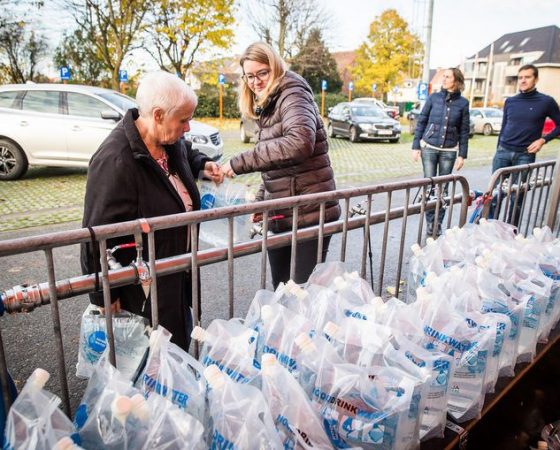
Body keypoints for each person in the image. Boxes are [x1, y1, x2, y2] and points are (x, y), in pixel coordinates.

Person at [81, 71, 223, 351]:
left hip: (174, 275)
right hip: (143, 293)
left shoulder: (166, 140)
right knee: (153, 367)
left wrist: (201, 164)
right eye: (183, 119)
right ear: (158, 115)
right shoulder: (116, 160)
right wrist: (102, 295)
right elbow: (95, 232)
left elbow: (185, 150)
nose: (187, 127)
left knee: (176, 356)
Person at [221, 42, 340, 288]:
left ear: (275, 67)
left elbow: (298, 143)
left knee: (303, 293)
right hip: (281, 212)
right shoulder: (269, 102)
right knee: (282, 290)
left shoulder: (292, 92)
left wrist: (238, 162)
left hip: (309, 212)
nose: (256, 81)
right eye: (250, 76)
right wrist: (262, 201)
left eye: (262, 73)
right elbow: (276, 165)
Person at [491, 64, 560, 225]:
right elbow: (503, 127)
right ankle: (489, 229)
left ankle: (510, 232)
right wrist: (497, 150)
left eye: (527, 77)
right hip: (502, 152)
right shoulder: (510, 101)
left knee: (517, 198)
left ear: (535, 79)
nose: (523, 80)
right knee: (495, 194)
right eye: (520, 77)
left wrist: (543, 140)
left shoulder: (546, 101)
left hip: (525, 155)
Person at [412, 67, 470, 236]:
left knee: (442, 189)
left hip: (449, 151)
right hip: (429, 148)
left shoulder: (463, 103)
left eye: (447, 77)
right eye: (443, 77)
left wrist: (462, 154)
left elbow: (464, 130)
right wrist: (416, 146)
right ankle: (431, 224)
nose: (443, 79)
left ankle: (438, 223)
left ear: (456, 81)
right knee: (430, 187)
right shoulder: (434, 98)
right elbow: (422, 121)